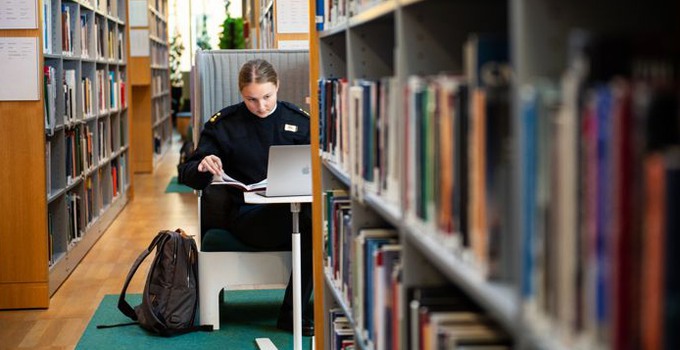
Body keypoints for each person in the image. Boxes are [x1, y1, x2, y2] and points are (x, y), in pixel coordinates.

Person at [177, 59, 314, 336]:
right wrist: (204, 166)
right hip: (247, 218)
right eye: (251, 99)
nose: (261, 106)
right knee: (309, 225)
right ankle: (292, 315)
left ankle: (293, 313)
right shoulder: (224, 124)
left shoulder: (298, 121)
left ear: (277, 87)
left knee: (311, 221)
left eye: (267, 97)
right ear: (241, 93)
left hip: (295, 210)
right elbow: (187, 172)